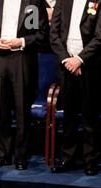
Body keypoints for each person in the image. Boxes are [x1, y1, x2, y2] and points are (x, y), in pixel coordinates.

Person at [0, 0, 49, 170]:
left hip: (22, 58)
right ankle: (3, 154)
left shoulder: (32, 3)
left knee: (22, 111)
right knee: (0, 110)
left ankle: (21, 156)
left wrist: (20, 41)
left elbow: (40, 34)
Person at [49, 0, 101, 176]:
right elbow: (54, 34)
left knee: (90, 116)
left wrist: (79, 60)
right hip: (66, 66)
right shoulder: (62, 1)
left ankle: (90, 161)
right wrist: (67, 59)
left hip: (90, 66)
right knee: (69, 115)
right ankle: (67, 158)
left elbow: (99, 37)